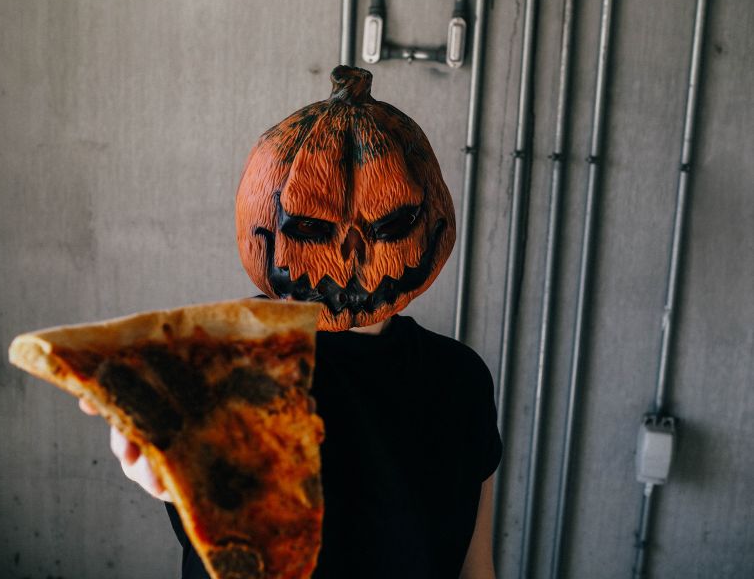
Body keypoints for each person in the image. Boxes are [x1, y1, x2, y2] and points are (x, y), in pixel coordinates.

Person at [82, 66, 501, 578]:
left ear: (432, 208)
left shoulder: (461, 380)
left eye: (391, 223)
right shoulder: (220, 364)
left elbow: (474, 568)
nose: (352, 253)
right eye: (309, 226)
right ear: (264, 223)